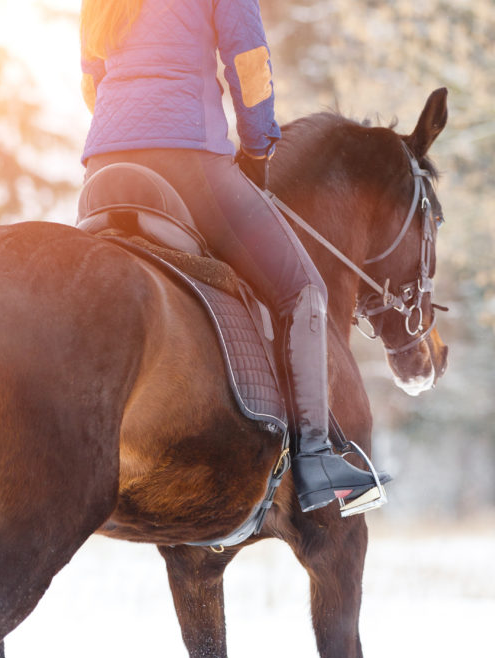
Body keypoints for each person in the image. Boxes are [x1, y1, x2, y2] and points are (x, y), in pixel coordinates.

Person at [79, 0, 389, 513]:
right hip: (188, 156)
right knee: (303, 289)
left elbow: (92, 75)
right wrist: (258, 146)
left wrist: (125, 133)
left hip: (104, 165)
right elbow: (248, 62)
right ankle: (315, 459)